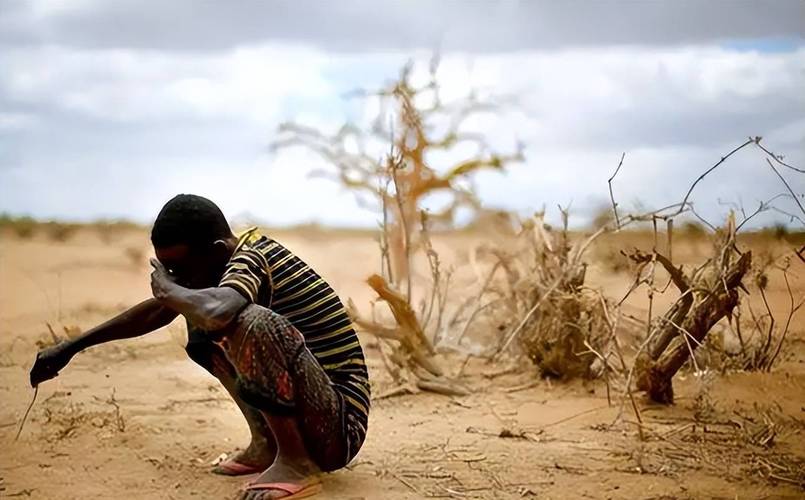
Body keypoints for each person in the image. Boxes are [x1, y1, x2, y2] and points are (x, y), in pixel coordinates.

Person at [29, 194, 370, 500]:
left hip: (340, 429)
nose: (176, 278)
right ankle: (266, 444)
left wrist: (170, 290)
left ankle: (296, 463)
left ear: (218, 251)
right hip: (316, 416)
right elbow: (161, 310)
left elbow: (217, 309)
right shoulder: (223, 265)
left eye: (180, 269)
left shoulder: (252, 257)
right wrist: (72, 347)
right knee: (200, 313)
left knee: (246, 319)